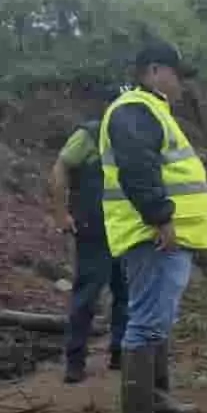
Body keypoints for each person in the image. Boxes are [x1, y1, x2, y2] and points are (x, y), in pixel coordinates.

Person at [99, 40, 207, 413]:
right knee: (146, 323)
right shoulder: (135, 110)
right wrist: (160, 217)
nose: (183, 84)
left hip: (162, 236)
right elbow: (136, 166)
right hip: (150, 235)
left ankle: (158, 400)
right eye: (178, 74)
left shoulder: (151, 110)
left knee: (157, 320)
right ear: (153, 71)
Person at [50, 117, 129, 384]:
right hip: (93, 224)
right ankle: (75, 360)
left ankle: (120, 351)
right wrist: (61, 213)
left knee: (125, 290)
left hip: (125, 225)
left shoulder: (135, 131)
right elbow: (61, 167)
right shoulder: (90, 134)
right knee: (87, 292)